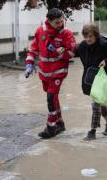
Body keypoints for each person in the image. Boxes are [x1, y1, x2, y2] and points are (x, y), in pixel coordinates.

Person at [24, 8, 76, 139]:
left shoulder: (67, 34)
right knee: (53, 97)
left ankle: (51, 127)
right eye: (57, 22)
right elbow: (34, 48)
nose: (61, 24)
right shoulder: (40, 31)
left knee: (51, 97)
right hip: (44, 72)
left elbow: (72, 53)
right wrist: (29, 63)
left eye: (62, 21)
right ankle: (60, 123)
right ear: (49, 21)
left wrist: (59, 52)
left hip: (58, 71)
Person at [76, 24, 107, 140]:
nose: (87, 39)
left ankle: (92, 132)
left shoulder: (104, 45)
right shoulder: (83, 46)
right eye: (85, 37)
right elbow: (74, 53)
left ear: (96, 35)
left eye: (90, 36)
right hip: (90, 80)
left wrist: (106, 61)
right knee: (101, 103)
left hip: (103, 80)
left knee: (96, 105)